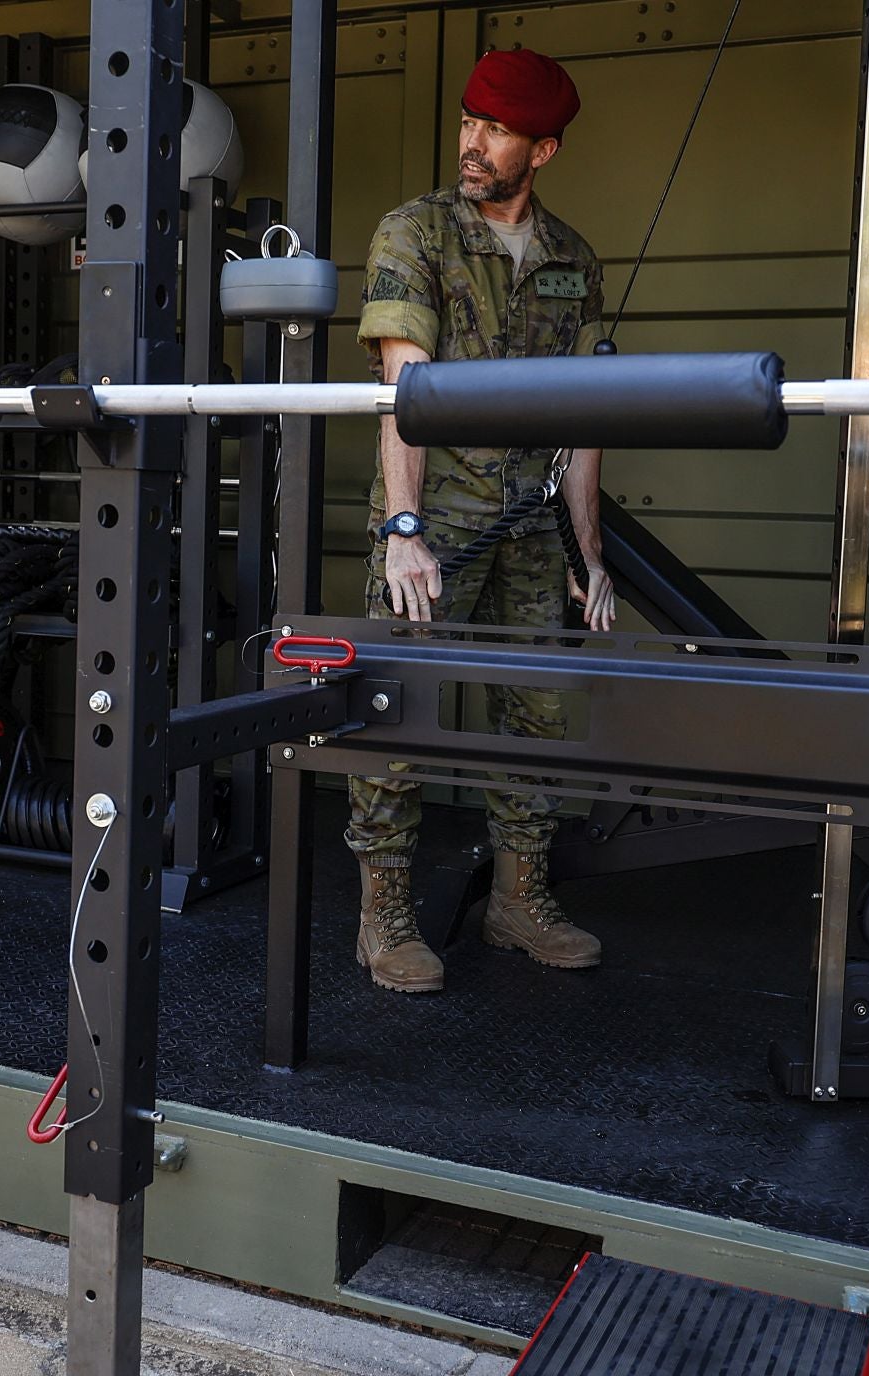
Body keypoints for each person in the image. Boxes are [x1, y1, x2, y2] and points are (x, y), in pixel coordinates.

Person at [348, 49, 616, 994]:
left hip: (532, 524)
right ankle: (383, 918)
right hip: (434, 515)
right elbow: (403, 393)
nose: (472, 141)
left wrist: (591, 553)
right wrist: (405, 529)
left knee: (537, 714)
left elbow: (586, 413)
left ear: (541, 149)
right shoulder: (413, 233)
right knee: (398, 711)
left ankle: (518, 901)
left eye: (496, 130)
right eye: (468, 120)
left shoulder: (573, 259)